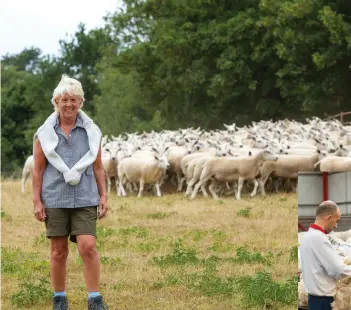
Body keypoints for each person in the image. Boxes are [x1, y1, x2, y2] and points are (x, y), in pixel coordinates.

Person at [32, 74, 109, 310]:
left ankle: (94, 298)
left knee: (88, 246)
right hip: (54, 198)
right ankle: (59, 297)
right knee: (58, 250)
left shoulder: (92, 132)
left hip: (85, 196)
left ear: (81, 102)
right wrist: (37, 200)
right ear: (55, 101)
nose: (69, 104)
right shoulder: (43, 134)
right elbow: (38, 170)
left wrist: (103, 195)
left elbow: (97, 166)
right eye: (64, 99)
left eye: (74, 100)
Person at [299, 200, 351, 310]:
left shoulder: (307, 237)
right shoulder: (319, 239)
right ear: (328, 218)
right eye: (336, 221)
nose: (336, 225)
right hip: (323, 301)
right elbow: (337, 269)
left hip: (314, 299)